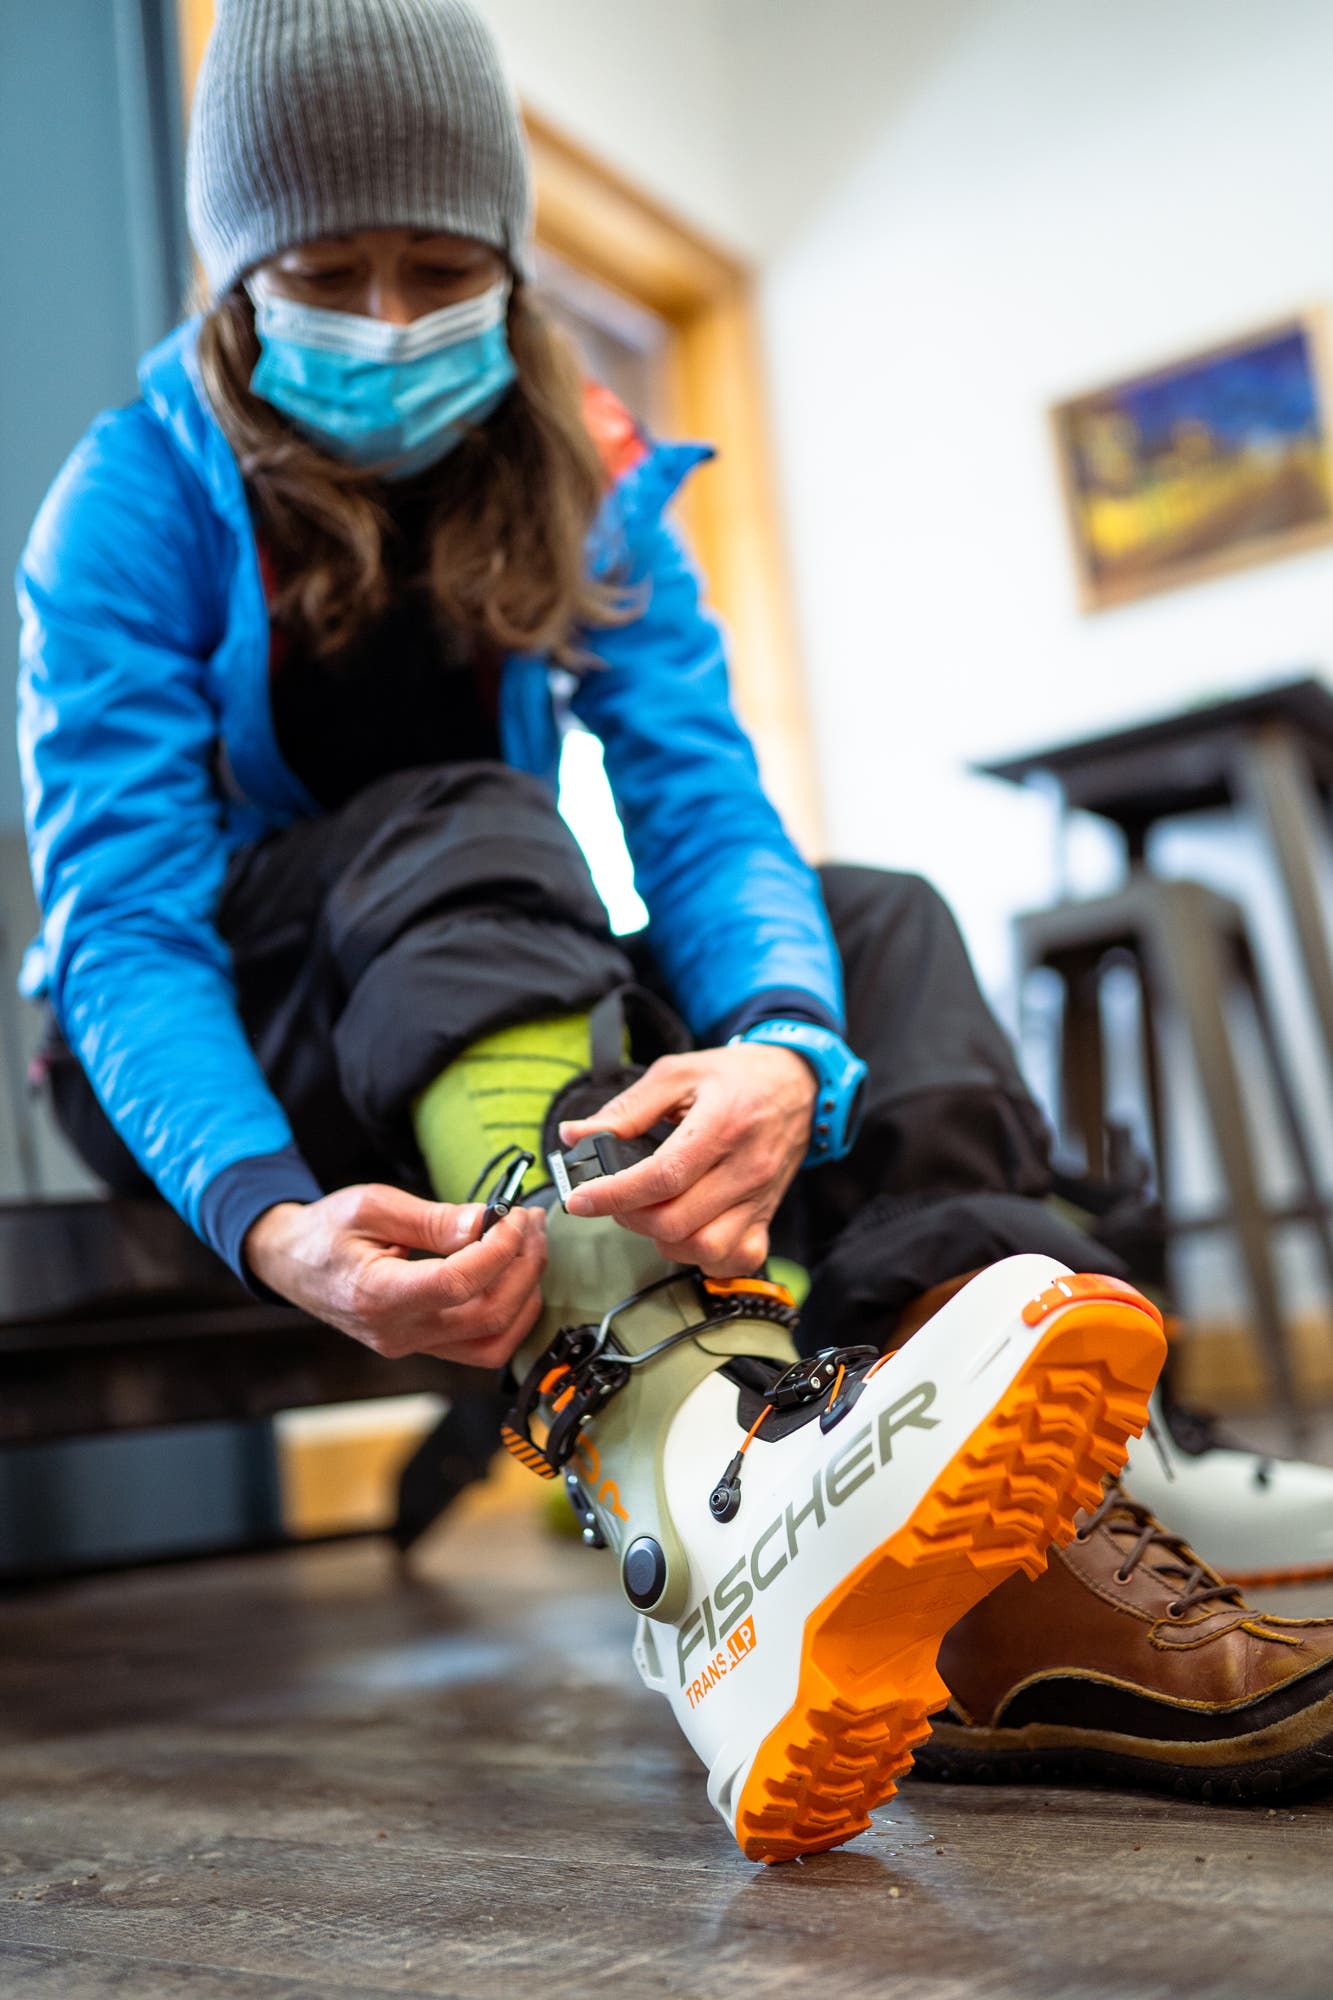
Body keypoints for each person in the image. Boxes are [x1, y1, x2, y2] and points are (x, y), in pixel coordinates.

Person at [15, 0, 1330, 1850]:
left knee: (872, 923)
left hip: (463, 983)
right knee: (458, 823)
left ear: (507, 260)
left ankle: (1050, 1525)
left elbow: (704, 811)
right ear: (239, 280)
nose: (389, 319)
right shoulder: (125, 504)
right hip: (228, 1061)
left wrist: (788, 1048)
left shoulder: (592, 473)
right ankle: (697, 1486)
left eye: (439, 268)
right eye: (329, 272)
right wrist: (275, 1219)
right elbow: (120, 925)